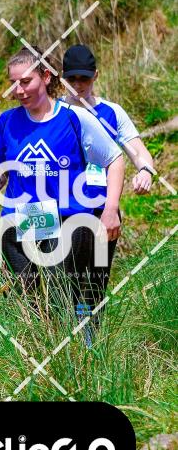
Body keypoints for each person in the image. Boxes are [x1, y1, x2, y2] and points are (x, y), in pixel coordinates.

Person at [0, 46, 125, 345]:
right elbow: (0, 169)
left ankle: (75, 354)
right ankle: (36, 350)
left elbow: (114, 159)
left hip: (68, 218)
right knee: (23, 298)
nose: (19, 90)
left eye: (26, 81)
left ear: (45, 76)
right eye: (14, 83)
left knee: (62, 295)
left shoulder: (74, 118)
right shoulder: (7, 122)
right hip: (23, 219)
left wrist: (110, 209)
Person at [61, 44, 158, 334]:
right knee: (64, 282)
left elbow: (139, 153)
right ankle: (62, 339)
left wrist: (145, 171)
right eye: (72, 79)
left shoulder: (112, 112)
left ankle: (94, 342)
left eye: (84, 79)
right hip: (63, 212)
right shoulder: (54, 112)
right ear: (62, 78)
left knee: (96, 280)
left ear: (96, 76)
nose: (78, 85)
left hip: (103, 211)